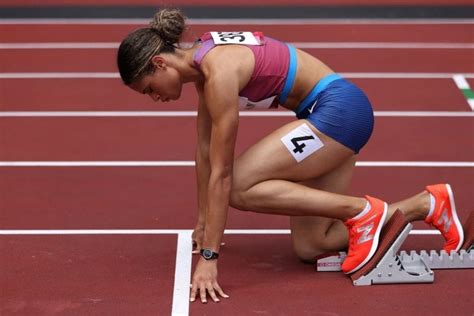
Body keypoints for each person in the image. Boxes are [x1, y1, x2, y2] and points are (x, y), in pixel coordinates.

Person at [117, 8, 464, 304]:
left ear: (160, 63)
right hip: (329, 117)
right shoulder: (203, 67)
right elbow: (204, 151)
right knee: (312, 245)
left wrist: (210, 257)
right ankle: (426, 205)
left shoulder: (218, 72)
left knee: (237, 185)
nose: (154, 98)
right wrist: (204, 220)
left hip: (337, 111)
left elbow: (221, 173)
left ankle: (362, 212)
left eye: (149, 89)